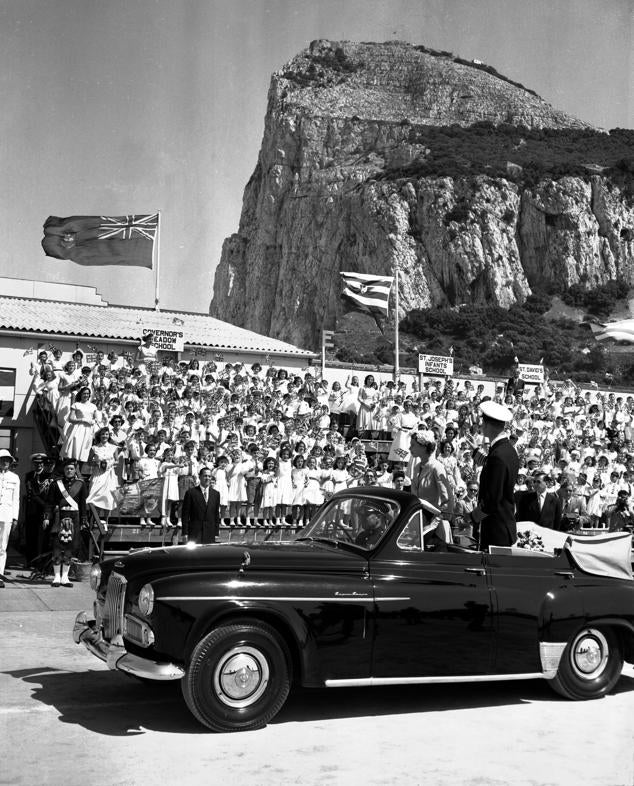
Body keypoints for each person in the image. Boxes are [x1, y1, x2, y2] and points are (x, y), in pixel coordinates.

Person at [469, 401, 519, 550]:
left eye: (482, 422)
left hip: (496, 532)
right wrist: (476, 453)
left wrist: (471, 517)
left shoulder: (498, 455)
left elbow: (491, 502)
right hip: (502, 526)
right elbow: (493, 469)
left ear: (486, 425)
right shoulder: (507, 449)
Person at [43, 459, 87, 587]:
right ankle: (56, 577)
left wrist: (83, 520)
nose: (69, 471)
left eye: (72, 469)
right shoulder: (56, 484)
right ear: (64, 470)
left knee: (70, 547)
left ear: (75, 470)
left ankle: (65, 577)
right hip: (59, 517)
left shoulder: (81, 484)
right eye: (67, 468)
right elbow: (49, 502)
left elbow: (83, 504)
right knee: (57, 547)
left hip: (75, 517)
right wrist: (47, 517)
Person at [23, 452, 53, 566]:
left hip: (44, 511)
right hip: (32, 510)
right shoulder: (29, 476)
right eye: (36, 463)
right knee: (30, 535)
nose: (39, 465)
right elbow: (32, 493)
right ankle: (30, 560)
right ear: (33, 464)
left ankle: (41, 562)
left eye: (41, 463)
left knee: (42, 537)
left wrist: (46, 507)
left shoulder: (48, 476)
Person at [181, 467, 221, 544]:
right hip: (195, 533)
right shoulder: (191, 493)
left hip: (210, 533)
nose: (207, 478)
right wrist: (185, 533)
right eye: (205, 476)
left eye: (209, 476)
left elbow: (216, 515)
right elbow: (185, 515)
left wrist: (216, 532)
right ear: (200, 477)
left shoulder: (216, 494)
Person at [0, 449, 20, 587]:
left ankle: (0, 575)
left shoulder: (14, 477)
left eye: (7, 460)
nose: (5, 462)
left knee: (2, 547)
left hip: (6, 515)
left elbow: (15, 499)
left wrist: (15, 518)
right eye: (2, 459)